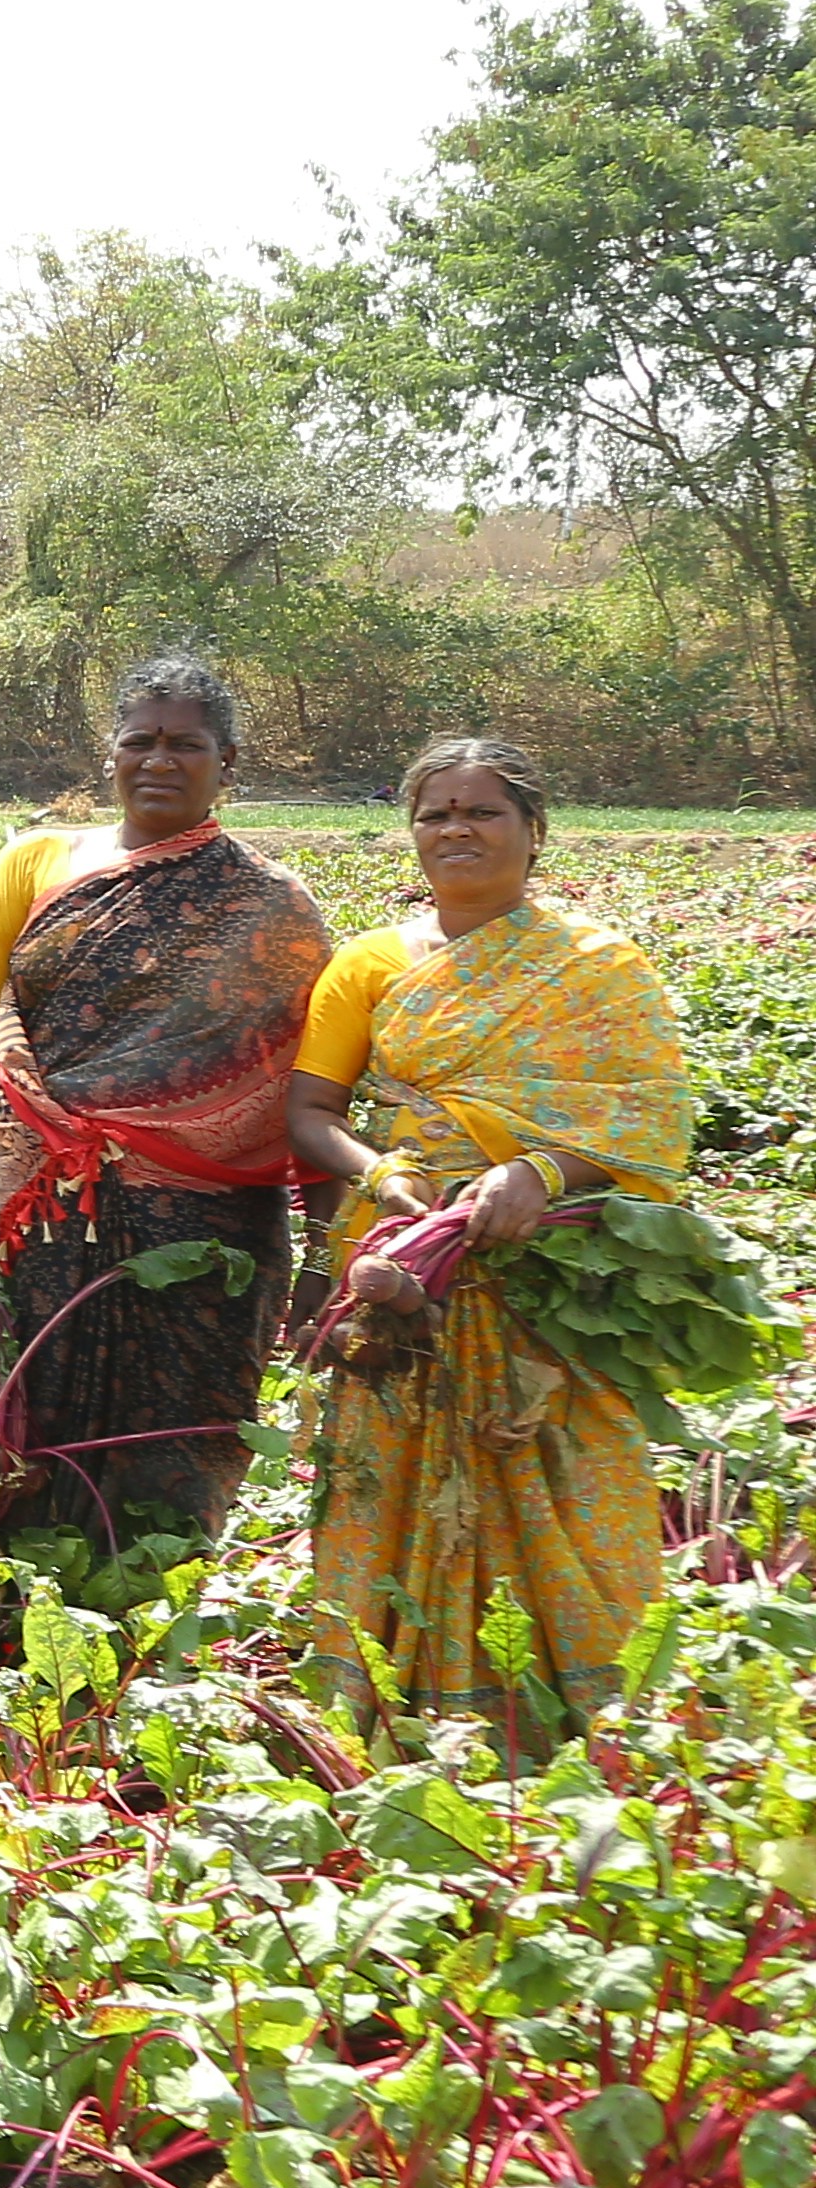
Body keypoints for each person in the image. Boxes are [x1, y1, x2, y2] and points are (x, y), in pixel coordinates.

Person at [283, 737, 694, 1751]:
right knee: (394, 1464)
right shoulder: (371, 964)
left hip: (552, 1269)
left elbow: (650, 1122)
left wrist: (544, 1171)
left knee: (563, 1461)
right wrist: (381, 1175)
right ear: (411, 832)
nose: (456, 830)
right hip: (402, 1258)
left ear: (533, 831)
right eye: (435, 814)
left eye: (483, 812)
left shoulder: (600, 969)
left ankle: (587, 1703)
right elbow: (310, 1111)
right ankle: (390, 1698)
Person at [0, 656, 330, 1591]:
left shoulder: (276, 907)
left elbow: (307, 1092)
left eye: (187, 745)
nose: (160, 760)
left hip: (208, 1239)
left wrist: (328, 1255)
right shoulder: (36, 861)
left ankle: (126, 1653)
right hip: (35, 1203)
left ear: (229, 762)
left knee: (166, 1458)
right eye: (141, 741)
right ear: (110, 756)